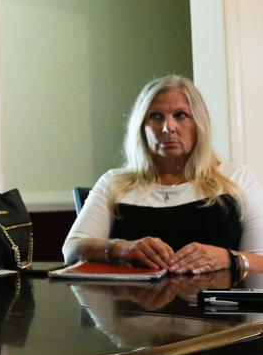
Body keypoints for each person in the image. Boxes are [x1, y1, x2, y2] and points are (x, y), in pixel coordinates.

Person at [63, 75, 263, 276]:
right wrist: (121, 248)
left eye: (181, 115)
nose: (168, 128)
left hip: (216, 306)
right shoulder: (114, 183)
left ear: (199, 124)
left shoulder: (237, 178)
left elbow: (261, 260)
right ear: (141, 127)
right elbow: (71, 250)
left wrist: (229, 258)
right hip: (132, 305)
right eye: (156, 117)